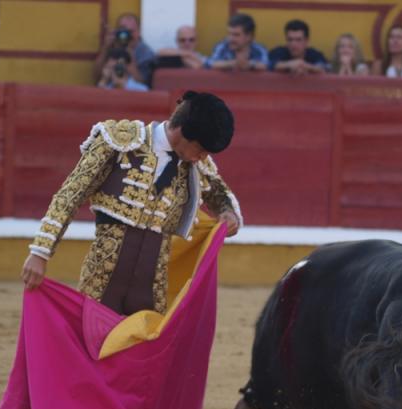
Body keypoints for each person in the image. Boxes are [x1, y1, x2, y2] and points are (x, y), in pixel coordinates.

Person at [22, 91, 242, 316]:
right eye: (202, 150)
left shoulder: (195, 167)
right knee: (91, 342)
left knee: (146, 349)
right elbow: (70, 195)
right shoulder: (117, 141)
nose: (204, 157)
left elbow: (220, 196)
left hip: (153, 288)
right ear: (183, 133)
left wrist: (228, 214)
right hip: (103, 279)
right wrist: (40, 253)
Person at [93, 13, 156, 86]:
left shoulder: (146, 54)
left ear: (139, 32)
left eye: (130, 32)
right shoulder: (113, 46)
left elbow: (144, 84)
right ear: (117, 31)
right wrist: (105, 48)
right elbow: (96, 77)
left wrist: (129, 59)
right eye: (123, 31)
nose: (126, 35)